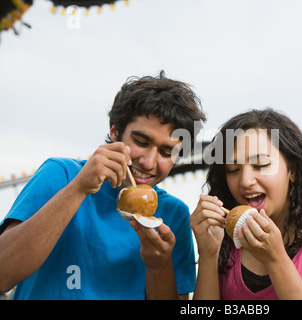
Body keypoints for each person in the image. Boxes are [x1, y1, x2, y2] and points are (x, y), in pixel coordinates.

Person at [0, 71, 206, 299]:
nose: (148, 163)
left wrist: (159, 265)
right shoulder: (62, 175)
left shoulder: (173, 215)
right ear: (115, 132)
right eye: (140, 142)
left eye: (167, 152)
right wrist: (78, 188)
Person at [190, 108, 302, 300]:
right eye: (233, 169)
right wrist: (208, 255)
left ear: (292, 170)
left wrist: (275, 259)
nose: (245, 181)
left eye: (261, 165)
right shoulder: (224, 238)